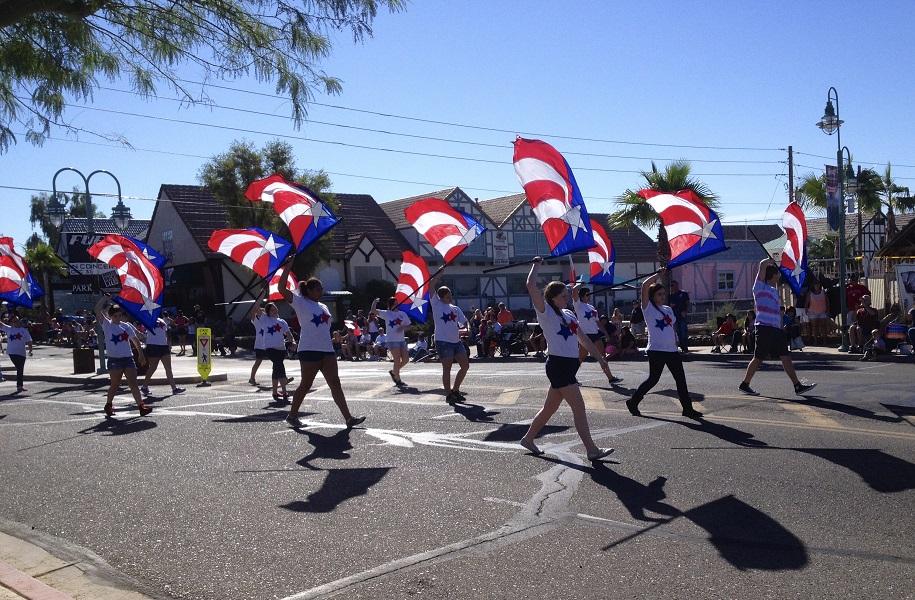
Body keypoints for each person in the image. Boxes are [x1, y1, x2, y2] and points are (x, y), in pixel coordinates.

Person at [519, 257, 615, 460]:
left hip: (568, 366)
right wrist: (536, 264)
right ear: (553, 298)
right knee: (579, 407)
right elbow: (530, 285)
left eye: (566, 295)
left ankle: (528, 439)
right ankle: (592, 450)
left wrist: (600, 358)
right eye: (563, 296)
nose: (567, 298)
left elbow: (584, 339)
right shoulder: (545, 312)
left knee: (549, 408)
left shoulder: (569, 314)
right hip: (558, 365)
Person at [278, 261, 364, 429]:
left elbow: (325, 328)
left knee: (335, 382)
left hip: (327, 349)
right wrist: (288, 267)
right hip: (309, 349)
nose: (321, 291)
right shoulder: (300, 301)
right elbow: (282, 289)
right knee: (306, 384)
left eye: (321, 288)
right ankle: (292, 415)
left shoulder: (323, 306)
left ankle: (348, 418)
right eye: (317, 288)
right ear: (309, 290)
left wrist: (336, 335)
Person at [625, 269, 702, 420]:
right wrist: (658, 276)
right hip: (657, 350)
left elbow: (671, 327)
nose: (662, 296)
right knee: (653, 379)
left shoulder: (667, 310)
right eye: (659, 294)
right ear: (652, 296)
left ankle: (687, 409)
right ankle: (633, 401)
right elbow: (645, 286)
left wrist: (675, 341)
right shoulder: (648, 308)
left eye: (663, 294)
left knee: (681, 379)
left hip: (671, 350)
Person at [739, 259, 817, 396]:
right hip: (764, 327)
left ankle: (797, 386)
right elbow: (762, 264)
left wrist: (781, 327)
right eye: (778, 274)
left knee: (785, 356)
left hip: (776, 329)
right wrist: (772, 260)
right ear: (772, 275)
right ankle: (745, 384)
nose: (780, 276)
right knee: (758, 358)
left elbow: (777, 312)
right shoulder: (758, 287)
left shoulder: (774, 291)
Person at [94, 297, 152, 417]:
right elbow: (97, 309)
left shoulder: (126, 326)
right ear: (110, 316)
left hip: (128, 358)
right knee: (115, 384)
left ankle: (141, 406)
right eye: (115, 316)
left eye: (120, 315)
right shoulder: (106, 324)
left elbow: (135, 340)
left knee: (133, 383)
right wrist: (105, 298)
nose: (118, 318)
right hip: (114, 360)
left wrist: (141, 354)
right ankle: (108, 405)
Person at [428, 269, 470, 404]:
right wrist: (439, 274)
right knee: (447, 368)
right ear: (441, 296)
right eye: (447, 295)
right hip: (442, 341)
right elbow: (431, 284)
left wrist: (468, 328)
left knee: (465, 365)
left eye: (450, 294)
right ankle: (448, 394)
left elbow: (464, 322)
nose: (450, 297)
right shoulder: (436, 304)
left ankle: (456, 390)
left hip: (456, 341)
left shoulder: (455, 308)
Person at [140, 311, 185, 397]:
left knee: (168, 368)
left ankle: (174, 388)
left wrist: (168, 344)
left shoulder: (161, 320)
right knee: (153, 367)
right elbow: (143, 330)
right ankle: (144, 386)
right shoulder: (147, 320)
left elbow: (166, 332)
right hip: (153, 346)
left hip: (163, 346)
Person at [258, 299, 294, 402]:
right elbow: (255, 308)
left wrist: (292, 342)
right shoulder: (265, 319)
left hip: (281, 349)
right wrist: (260, 297)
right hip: (270, 348)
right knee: (280, 367)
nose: (274, 310)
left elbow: (288, 334)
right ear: (268, 312)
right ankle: (284, 391)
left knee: (276, 369)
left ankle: (274, 392)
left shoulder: (282, 321)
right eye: (272, 309)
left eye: (275, 308)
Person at [371, 297, 412, 386]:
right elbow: (373, 311)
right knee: (397, 360)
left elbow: (409, 326)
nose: (396, 305)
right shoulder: (387, 313)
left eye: (397, 303)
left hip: (401, 340)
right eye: (394, 303)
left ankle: (394, 371)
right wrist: (374, 302)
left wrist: (403, 327)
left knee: (406, 359)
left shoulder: (402, 314)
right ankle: (398, 380)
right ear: (390, 305)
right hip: (392, 340)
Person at [572, 286, 614, 369]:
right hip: (585, 335)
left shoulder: (592, 307)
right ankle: (570, 376)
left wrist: (606, 333)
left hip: (595, 334)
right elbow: (574, 293)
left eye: (589, 295)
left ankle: (611, 377)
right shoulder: (578, 305)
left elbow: (598, 322)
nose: (589, 297)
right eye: (587, 295)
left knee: (603, 356)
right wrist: (578, 286)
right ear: (582, 296)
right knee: (581, 358)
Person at [0, 313, 32, 393]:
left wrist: (30, 350)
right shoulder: (9, 329)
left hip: (22, 353)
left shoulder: (24, 330)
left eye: (17, 320)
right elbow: (1, 324)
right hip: (12, 353)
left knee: (20, 369)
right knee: (19, 368)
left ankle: (19, 386)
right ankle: (19, 386)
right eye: (14, 321)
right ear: (11, 323)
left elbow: (29, 341)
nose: (16, 322)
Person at [248, 299, 268, 386]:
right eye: (261, 311)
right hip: (260, 346)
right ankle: (252, 378)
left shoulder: (268, 320)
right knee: (258, 362)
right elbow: (253, 310)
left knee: (277, 361)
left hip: (269, 344)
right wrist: (259, 300)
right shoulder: (256, 321)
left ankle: (282, 378)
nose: (262, 313)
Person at [805, 279, 831, 345]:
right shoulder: (810, 293)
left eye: (818, 284)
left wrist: (828, 310)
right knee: (814, 327)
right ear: (813, 285)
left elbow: (827, 301)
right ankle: (815, 341)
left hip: (822, 311)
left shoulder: (823, 292)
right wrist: (806, 310)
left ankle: (825, 341)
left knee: (823, 326)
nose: (817, 286)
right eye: (815, 284)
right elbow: (807, 303)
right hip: (812, 312)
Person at [668, 279, 690, 352]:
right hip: (674, 317)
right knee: (677, 333)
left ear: (677, 285)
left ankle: (685, 347)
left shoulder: (683, 293)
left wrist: (685, 311)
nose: (672, 287)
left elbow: (687, 303)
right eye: (671, 286)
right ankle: (680, 346)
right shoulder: (670, 296)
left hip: (682, 316)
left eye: (673, 285)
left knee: (683, 332)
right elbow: (669, 306)